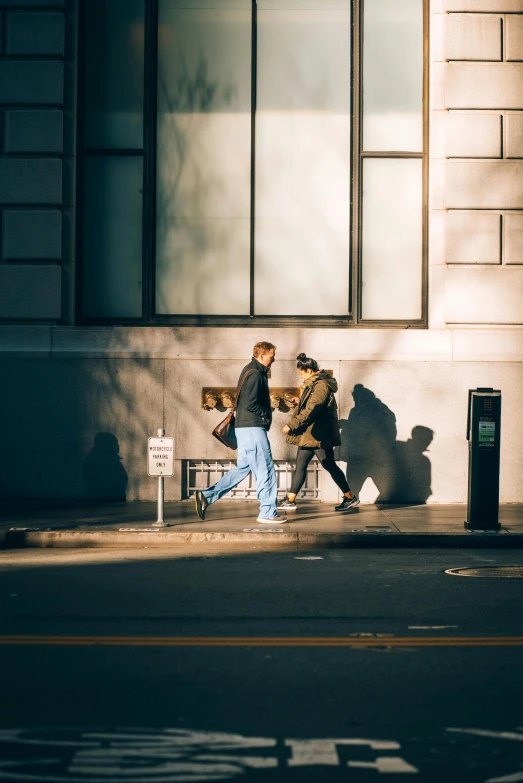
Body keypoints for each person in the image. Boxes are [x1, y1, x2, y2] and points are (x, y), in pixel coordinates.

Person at [194, 342, 287, 524]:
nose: (274, 358)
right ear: (261, 355)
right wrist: (266, 415)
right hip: (253, 428)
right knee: (265, 469)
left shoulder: (250, 370)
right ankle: (267, 512)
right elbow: (250, 403)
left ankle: (206, 496)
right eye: (271, 355)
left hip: (245, 429)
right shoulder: (255, 374)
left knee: (242, 469)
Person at [278, 353, 359, 513]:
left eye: (301, 373)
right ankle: (291, 499)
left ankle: (350, 497)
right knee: (312, 464)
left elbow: (313, 408)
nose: (300, 376)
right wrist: (298, 401)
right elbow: (312, 404)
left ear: (308, 370)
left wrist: (292, 424)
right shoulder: (315, 384)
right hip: (312, 433)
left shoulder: (320, 385)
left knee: (324, 464)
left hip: (316, 434)